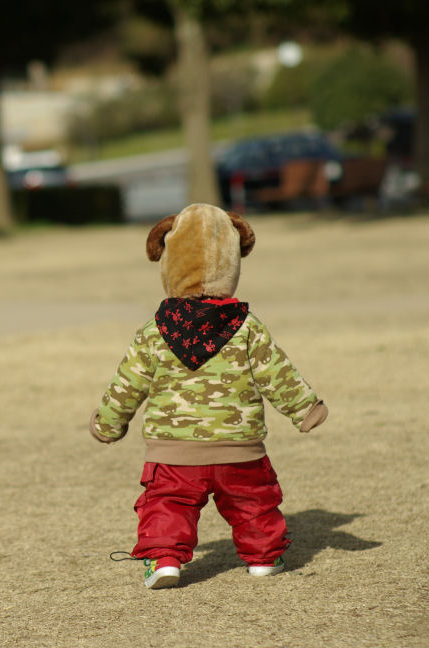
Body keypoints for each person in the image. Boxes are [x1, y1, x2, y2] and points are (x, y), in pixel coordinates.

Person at [89, 203, 328, 589]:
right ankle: (264, 557)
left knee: (167, 505)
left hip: (173, 452)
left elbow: (127, 383)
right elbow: (276, 371)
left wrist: (108, 423)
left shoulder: (154, 331)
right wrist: (306, 409)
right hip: (240, 448)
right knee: (254, 503)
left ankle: (165, 559)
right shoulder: (247, 326)